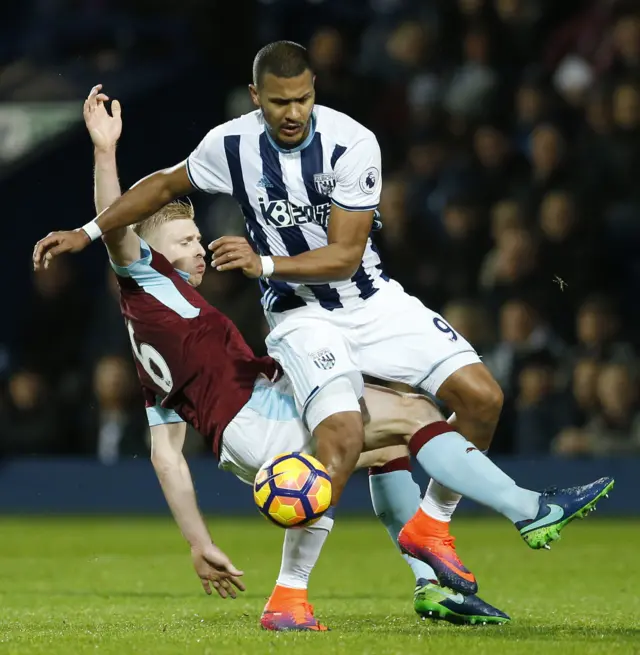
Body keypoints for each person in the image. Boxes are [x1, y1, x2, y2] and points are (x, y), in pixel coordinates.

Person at [34, 56, 613, 607]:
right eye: (186, 242)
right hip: (266, 399)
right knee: (391, 426)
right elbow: (125, 226)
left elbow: (166, 457)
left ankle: (429, 570)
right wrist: (102, 165)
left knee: (409, 431)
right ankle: (495, 519)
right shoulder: (149, 281)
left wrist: (197, 541)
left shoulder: (152, 343)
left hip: (274, 396)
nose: (201, 249)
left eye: (197, 239)